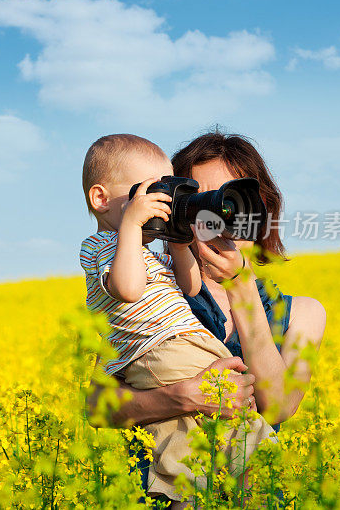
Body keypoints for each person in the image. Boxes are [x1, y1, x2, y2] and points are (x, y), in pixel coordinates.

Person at [85, 130, 327, 505]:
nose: (220, 214)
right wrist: (180, 397)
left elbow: (278, 405)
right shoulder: (150, 296)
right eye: (203, 200)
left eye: (233, 200)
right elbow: (97, 406)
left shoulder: (304, 313)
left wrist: (240, 282)